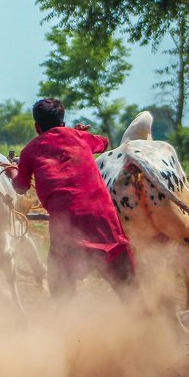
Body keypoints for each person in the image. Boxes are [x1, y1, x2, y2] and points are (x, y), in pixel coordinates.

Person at [9, 98, 136, 300]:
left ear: (36, 126)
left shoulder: (29, 151)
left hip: (66, 230)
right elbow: (103, 143)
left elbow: (20, 186)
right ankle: (150, 325)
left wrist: (13, 171)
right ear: (63, 122)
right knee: (130, 288)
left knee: (61, 292)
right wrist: (80, 133)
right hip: (104, 222)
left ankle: (66, 326)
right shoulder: (80, 137)